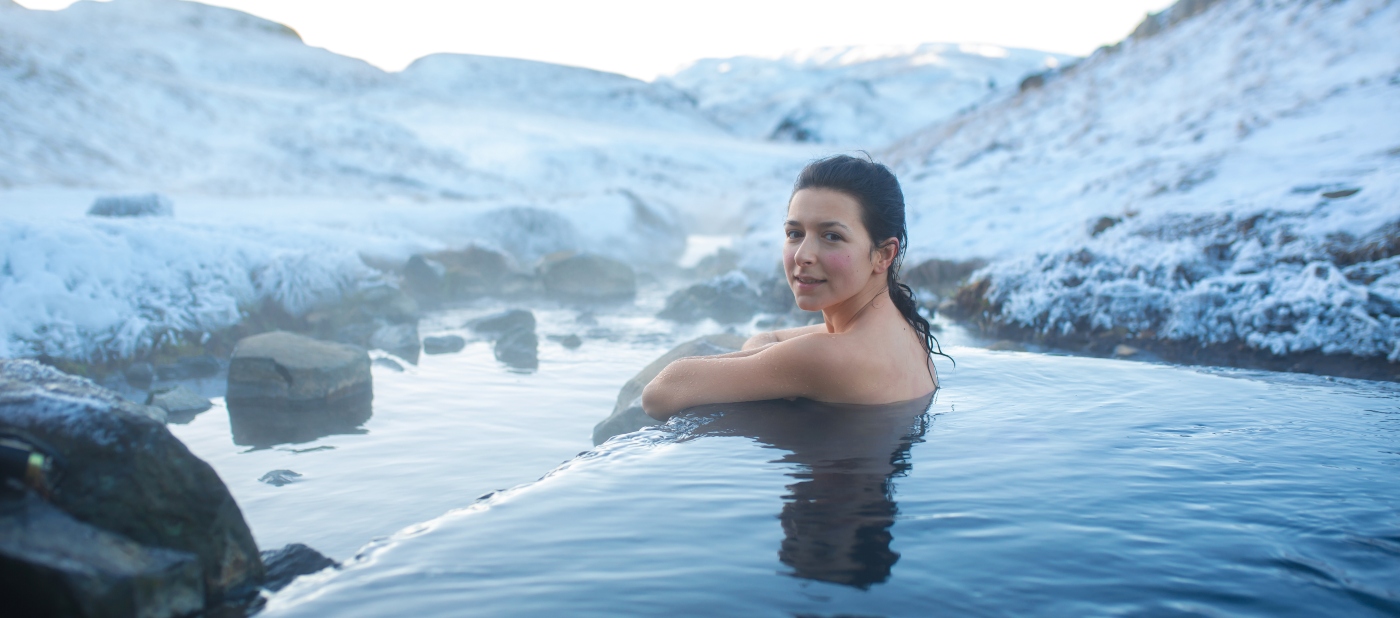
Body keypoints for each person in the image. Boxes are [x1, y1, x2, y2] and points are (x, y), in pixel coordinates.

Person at [642, 154, 947, 420]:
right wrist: (774, 361)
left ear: (883, 255)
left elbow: (659, 393)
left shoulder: (824, 358)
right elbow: (769, 337)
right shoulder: (907, 332)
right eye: (795, 233)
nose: (803, 255)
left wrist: (778, 364)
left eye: (832, 236)